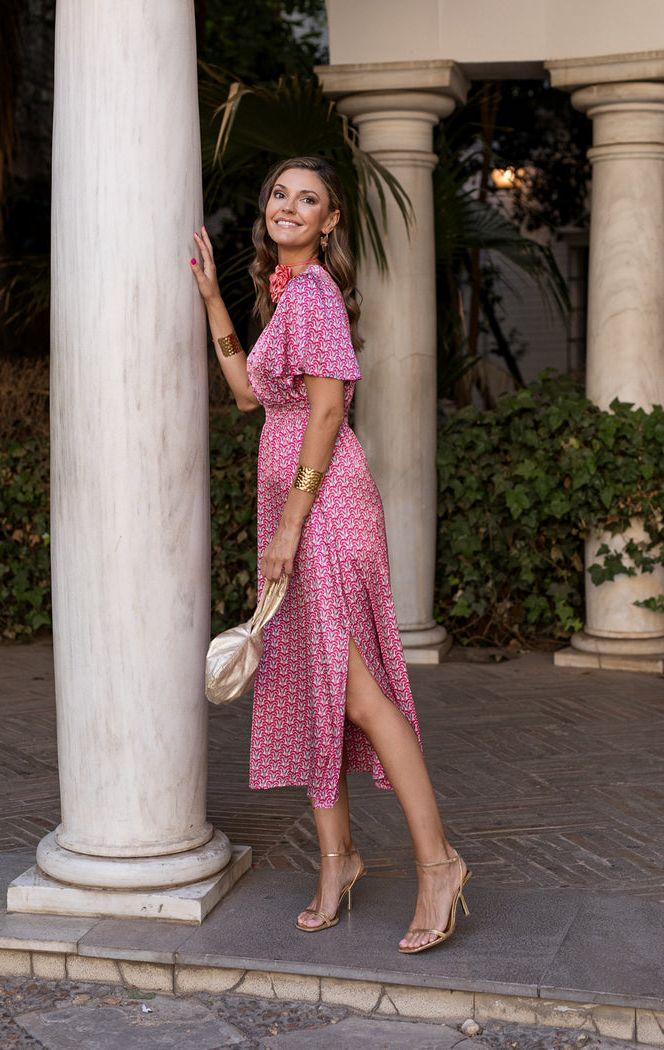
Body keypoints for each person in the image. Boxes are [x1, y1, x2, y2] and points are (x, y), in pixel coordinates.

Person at [191, 156, 470, 953]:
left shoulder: (313, 294)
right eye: (279, 192)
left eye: (307, 199)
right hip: (298, 506)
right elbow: (250, 394)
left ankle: (439, 863)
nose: (288, 205)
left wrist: (288, 524)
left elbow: (322, 414)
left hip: (325, 508)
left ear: (330, 221)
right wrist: (213, 299)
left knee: (358, 696)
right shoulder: (286, 295)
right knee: (320, 684)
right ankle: (339, 862)